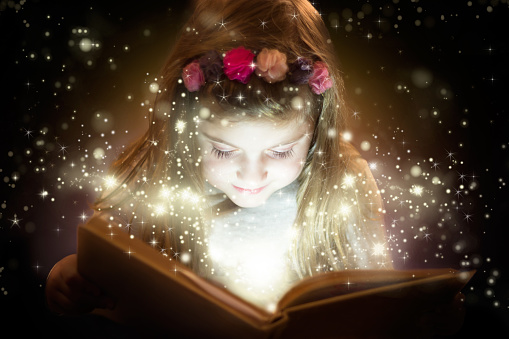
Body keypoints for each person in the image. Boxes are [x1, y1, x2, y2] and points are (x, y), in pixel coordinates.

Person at [45, 0, 462, 335]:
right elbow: (103, 264)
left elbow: (377, 298)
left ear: (317, 130)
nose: (251, 176)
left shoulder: (343, 185)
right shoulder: (157, 178)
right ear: (184, 129)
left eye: (280, 152)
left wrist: (413, 319)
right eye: (224, 151)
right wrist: (68, 279)